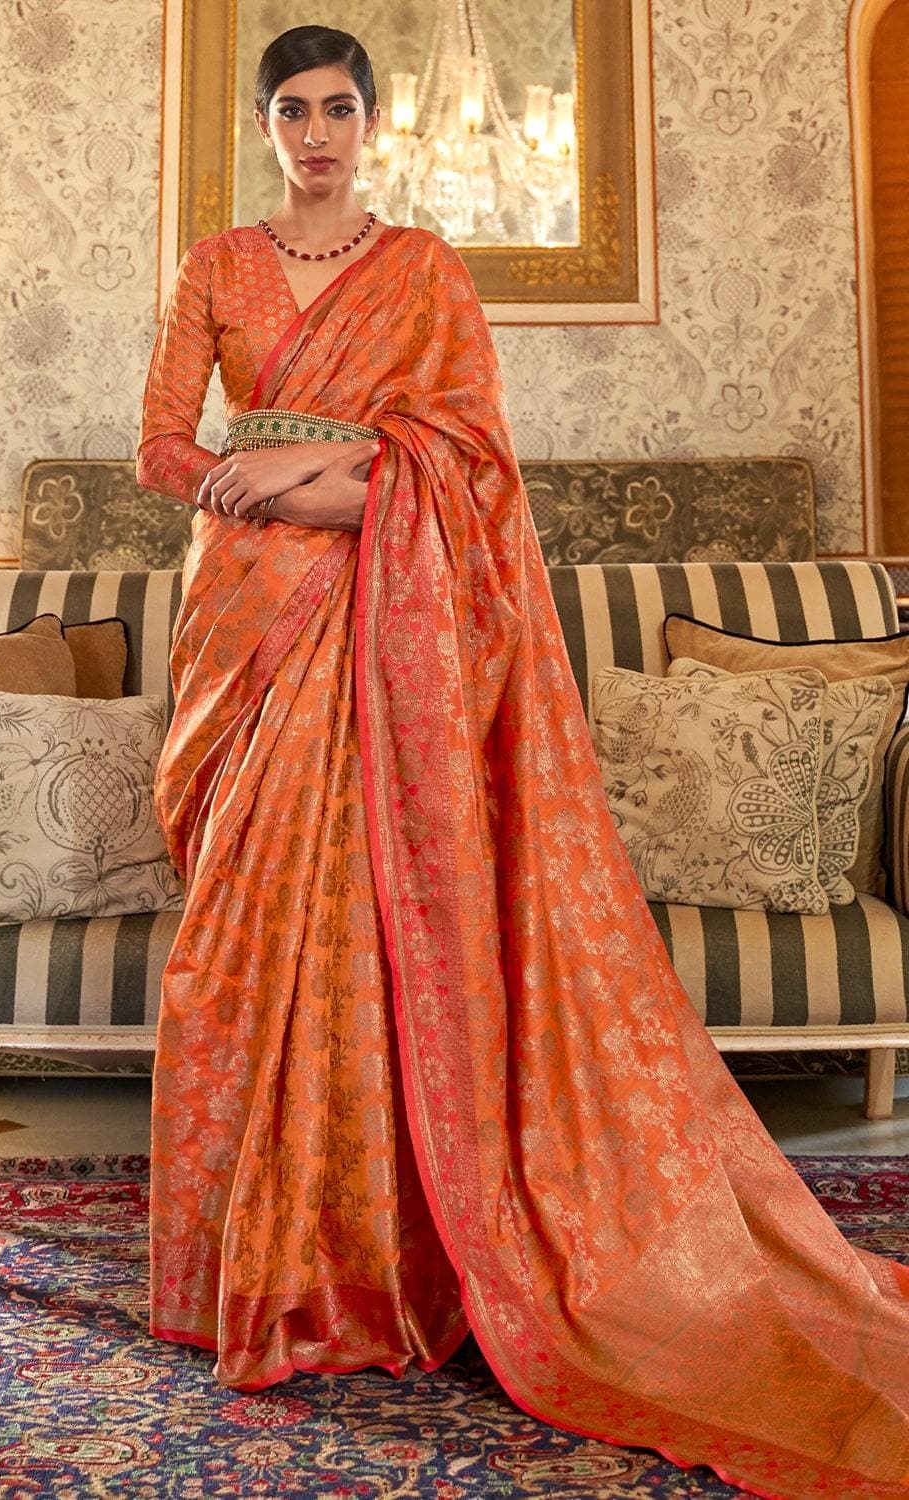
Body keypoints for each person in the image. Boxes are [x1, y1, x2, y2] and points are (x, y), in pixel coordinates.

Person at [138, 25, 909, 1499]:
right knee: (242, 931)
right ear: (264, 124)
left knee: (370, 932)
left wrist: (334, 477)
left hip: (382, 611)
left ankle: (383, 1258)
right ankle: (255, 1256)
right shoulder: (216, 266)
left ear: (372, 121)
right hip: (246, 618)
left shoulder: (423, 270)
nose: (316, 132)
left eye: (339, 108)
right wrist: (276, 481)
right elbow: (162, 446)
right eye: (293, 110)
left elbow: (472, 456)